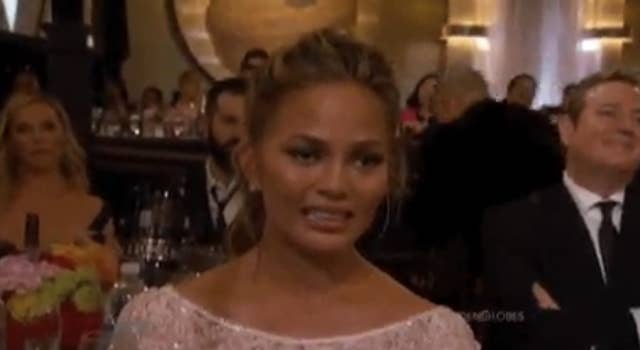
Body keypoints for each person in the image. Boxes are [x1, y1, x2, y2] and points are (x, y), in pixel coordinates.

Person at [112, 29, 478, 350]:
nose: (335, 185)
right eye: (306, 155)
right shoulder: (159, 327)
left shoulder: (437, 339)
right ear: (252, 163)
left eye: (365, 160)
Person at [483, 70, 640, 349]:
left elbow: (560, 328)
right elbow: (529, 330)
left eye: (638, 119)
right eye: (608, 113)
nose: (627, 128)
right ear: (567, 129)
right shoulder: (512, 223)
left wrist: (572, 321)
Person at [0, 94, 119, 252]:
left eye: (48, 127)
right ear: (10, 143)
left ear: (64, 137)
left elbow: (112, 271)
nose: (38, 137)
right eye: (23, 130)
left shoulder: (95, 210)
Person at [203, 78, 247, 245]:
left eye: (249, 124)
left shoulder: (268, 193)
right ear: (206, 123)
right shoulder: (178, 184)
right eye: (229, 121)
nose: (240, 134)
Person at [166, 69, 205, 138]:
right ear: (183, 86)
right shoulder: (173, 109)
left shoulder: (200, 108)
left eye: (199, 84)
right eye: (195, 83)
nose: (199, 88)